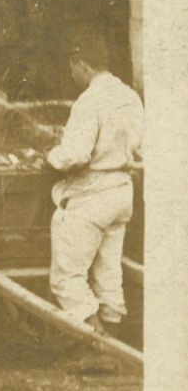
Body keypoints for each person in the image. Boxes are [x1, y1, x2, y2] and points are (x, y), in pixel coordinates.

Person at [45, 33, 143, 333]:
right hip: (121, 190)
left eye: (72, 67)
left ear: (81, 63)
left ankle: (96, 341)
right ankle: (112, 336)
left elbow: (75, 155)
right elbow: (141, 146)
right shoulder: (129, 96)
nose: (71, 73)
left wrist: (50, 155)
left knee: (67, 278)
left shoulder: (89, 101)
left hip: (92, 194)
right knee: (108, 271)